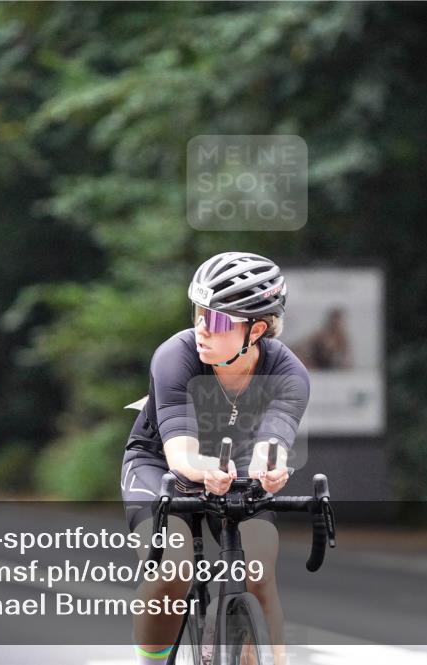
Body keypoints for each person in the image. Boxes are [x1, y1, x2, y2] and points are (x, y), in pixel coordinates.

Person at [121, 252, 310, 665]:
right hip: (160, 465)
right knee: (173, 570)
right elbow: (181, 454)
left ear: (256, 329)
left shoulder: (289, 373)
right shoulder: (175, 356)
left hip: (236, 469)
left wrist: (269, 468)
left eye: (220, 320)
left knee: (259, 574)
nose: (203, 327)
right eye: (200, 312)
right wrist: (207, 471)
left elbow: (272, 442)